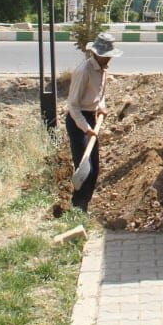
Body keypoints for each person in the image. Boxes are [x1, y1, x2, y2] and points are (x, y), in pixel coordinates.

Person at [64, 32, 122, 210]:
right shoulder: (84, 71)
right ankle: (77, 208)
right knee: (84, 169)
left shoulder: (103, 69)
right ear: (96, 54)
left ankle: (85, 206)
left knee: (94, 169)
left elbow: (100, 94)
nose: (109, 58)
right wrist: (86, 128)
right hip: (77, 121)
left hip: (91, 118)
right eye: (106, 55)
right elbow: (73, 105)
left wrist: (101, 106)